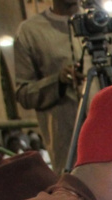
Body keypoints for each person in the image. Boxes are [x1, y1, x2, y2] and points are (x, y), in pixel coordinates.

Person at [14, 0, 86, 172]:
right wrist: (58, 81)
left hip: (110, 137)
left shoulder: (100, 22)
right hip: (67, 142)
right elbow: (23, 93)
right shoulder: (30, 31)